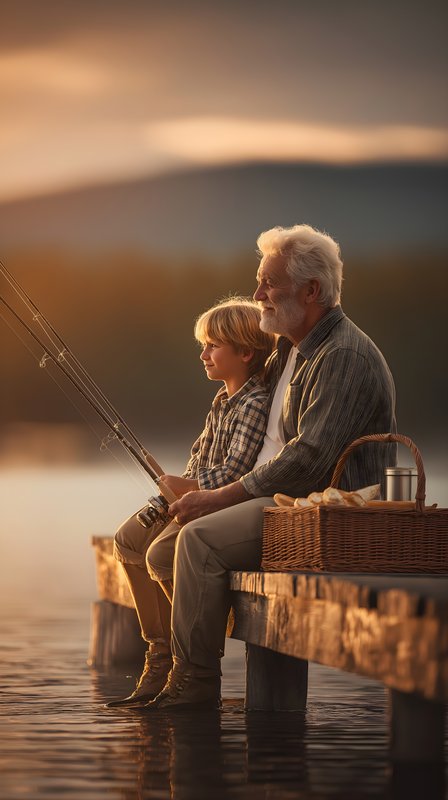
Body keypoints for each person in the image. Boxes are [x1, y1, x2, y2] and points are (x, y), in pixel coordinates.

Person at [144, 223, 397, 711]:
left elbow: (309, 459)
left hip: (320, 512)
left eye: (268, 284)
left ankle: (195, 684)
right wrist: (203, 483)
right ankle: (170, 663)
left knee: (198, 541)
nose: (257, 295)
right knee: (157, 551)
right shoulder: (289, 348)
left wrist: (218, 497)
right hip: (278, 499)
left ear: (311, 291)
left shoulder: (342, 355)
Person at [107, 297, 275, 706]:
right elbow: (198, 459)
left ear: (245, 352)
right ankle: (160, 654)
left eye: (212, 346)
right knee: (127, 541)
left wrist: (189, 486)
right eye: (204, 346)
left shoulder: (255, 403)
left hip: (220, 506)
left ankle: (186, 658)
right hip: (195, 497)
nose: (203, 355)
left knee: (160, 556)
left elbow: (237, 471)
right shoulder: (220, 402)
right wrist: (173, 490)